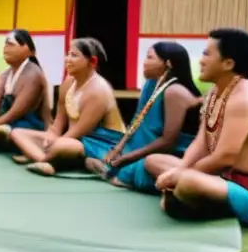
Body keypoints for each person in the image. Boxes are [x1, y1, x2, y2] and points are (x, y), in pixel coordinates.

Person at [145, 29, 248, 228]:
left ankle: (186, 198)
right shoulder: (214, 93)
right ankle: (186, 197)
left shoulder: (244, 98)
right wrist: (182, 168)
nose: (200, 60)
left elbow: (225, 157)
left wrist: (181, 175)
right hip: (222, 176)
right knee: (153, 161)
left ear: (228, 64)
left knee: (187, 182)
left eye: (206, 54)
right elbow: (201, 144)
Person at [84, 42, 201, 192]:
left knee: (124, 174)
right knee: (90, 142)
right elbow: (137, 120)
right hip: (141, 145)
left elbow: (168, 142)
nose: (144, 62)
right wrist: (118, 147)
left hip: (170, 153)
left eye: (150, 58)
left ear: (168, 64)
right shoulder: (151, 84)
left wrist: (128, 157)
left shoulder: (175, 91)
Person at [10, 37, 126, 176]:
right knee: (17, 133)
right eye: (68, 54)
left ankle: (43, 158)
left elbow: (80, 131)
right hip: (72, 139)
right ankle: (45, 159)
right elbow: (59, 121)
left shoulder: (98, 90)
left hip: (100, 144)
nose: (67, 59)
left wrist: (53, 143)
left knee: (61, 146)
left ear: (92, 61)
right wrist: (51, 135)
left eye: (74, 55)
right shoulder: (68, 84)